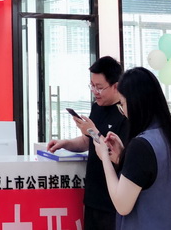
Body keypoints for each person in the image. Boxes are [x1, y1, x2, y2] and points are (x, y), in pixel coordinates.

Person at [94, 67, 171, 229]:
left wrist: (105, 158)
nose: (123, 112)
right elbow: (150, 176)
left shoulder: (141, 146)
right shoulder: (170, 137)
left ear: (136, 104)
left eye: (122, 104)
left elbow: (122, 205)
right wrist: (123, 157)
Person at [46, 56, 127, 230]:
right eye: (92, 85)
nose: (95, 91)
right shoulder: (96, 106)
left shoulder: (124, 113)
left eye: (100, 87)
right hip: (92, 196)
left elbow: (118, 155)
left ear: (116, 86)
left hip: (113, 200)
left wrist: (93, 132)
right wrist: (65, 143)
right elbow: (86, 141)